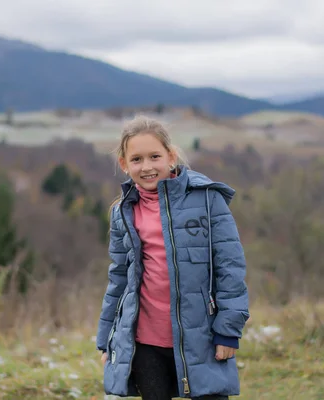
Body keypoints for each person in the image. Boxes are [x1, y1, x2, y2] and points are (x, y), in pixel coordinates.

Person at [96, 115, 249, 400]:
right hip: (145, 341)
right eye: (137, 159)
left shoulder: (207, 199)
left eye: (155, 156)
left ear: (171, 156)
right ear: (124, 164)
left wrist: (228, 331)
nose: (147, 166)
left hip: (200, 337)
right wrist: (106, 339)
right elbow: (119, 278)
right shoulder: (122, 212)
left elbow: (230, 267)